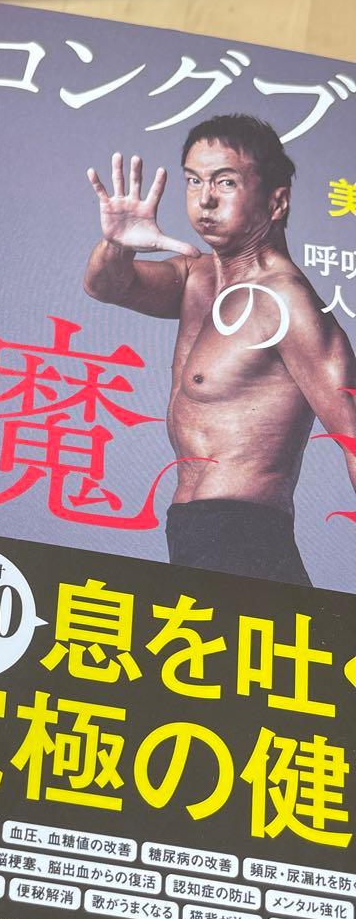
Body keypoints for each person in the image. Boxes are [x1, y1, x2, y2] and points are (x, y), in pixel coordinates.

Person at [83, 114, 356, 586]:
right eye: (194, 180)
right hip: (193, 532)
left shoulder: (287, 302)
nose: (205, 198)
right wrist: (117, 244)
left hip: (247, 539)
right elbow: (106, 285)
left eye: (225, 182)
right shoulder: (196, 277)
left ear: (277, 202)